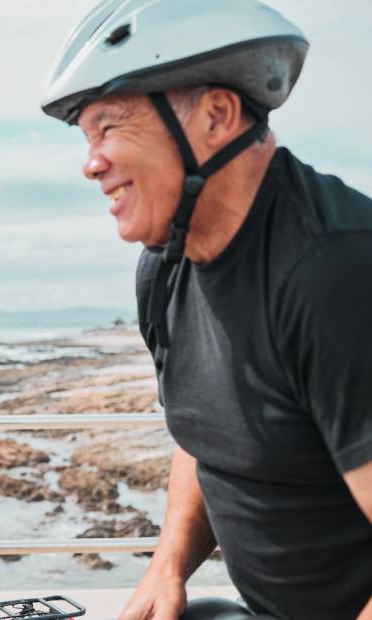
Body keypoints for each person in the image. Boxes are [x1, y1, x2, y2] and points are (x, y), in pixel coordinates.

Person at [40, 1, 372, 619]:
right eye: (87, 139)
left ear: (217, 116)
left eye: (110, 128)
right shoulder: (166, 268)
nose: (91, 164)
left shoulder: (336, 274)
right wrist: (167, 567)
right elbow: (205, 436)